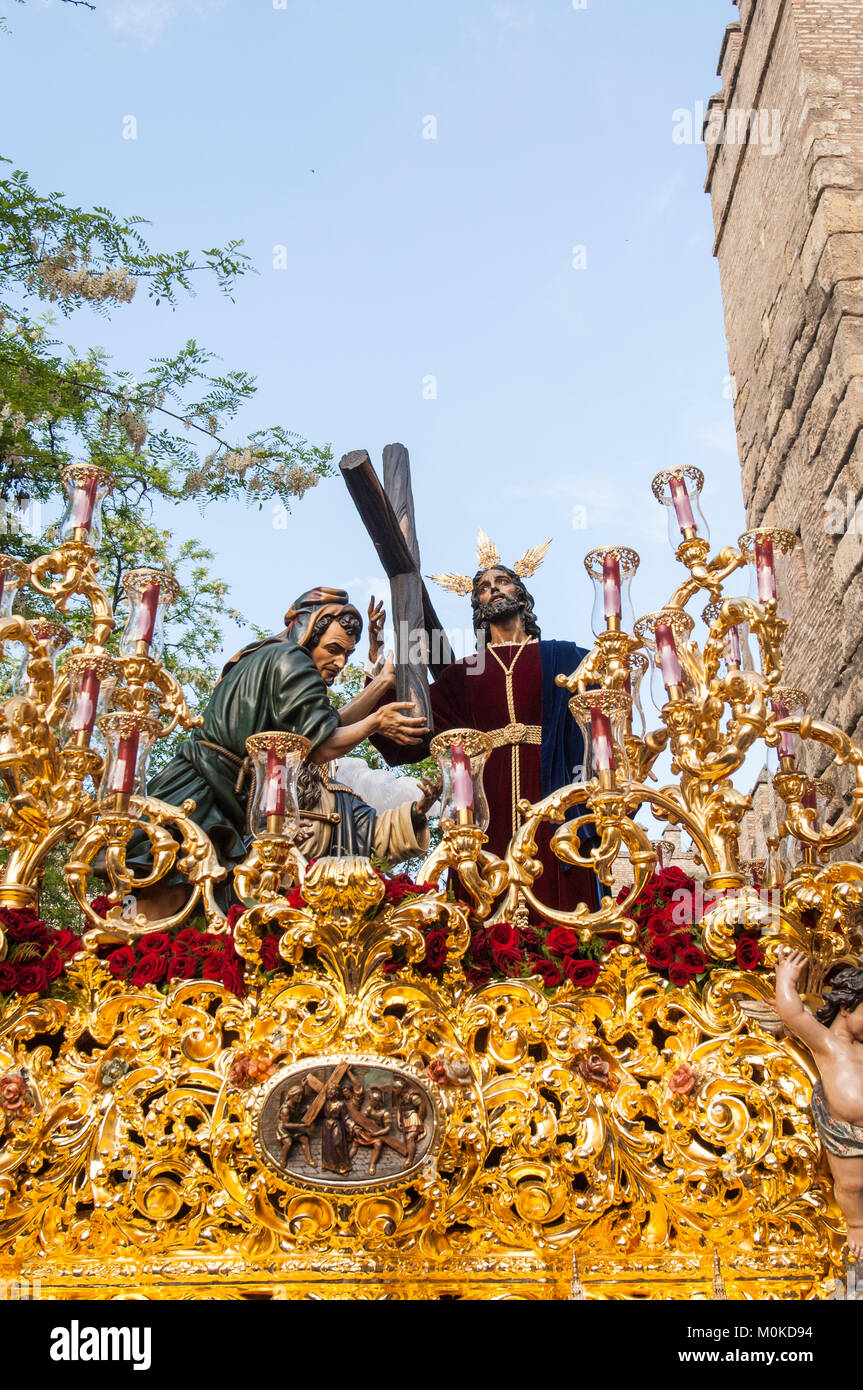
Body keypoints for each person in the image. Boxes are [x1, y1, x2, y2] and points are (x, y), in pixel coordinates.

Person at [127, 586, 428, 913]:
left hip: (205, 788)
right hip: (200, 800)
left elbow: (327, 723)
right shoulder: (293, 659)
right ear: (309, 630)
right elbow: (322, 744)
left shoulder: (265, 653)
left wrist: (382, 684)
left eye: (347, 654)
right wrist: (376, 723)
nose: (340, 662)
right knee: (162, 910)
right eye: (333, 649)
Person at [371, 544, 598, 915]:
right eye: (483, 587)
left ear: (521, 596)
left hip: (550, 786)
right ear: (478, 606)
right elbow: (414, 726)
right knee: (480, 887)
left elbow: (603, 696)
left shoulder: (562, 656)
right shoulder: (462, 674)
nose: (493, 588)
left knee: (557, 873)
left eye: (503, 581)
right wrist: (379, 671)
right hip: (480, 796)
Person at [774, 949, 863, 1260]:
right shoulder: (827, 1043)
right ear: (847, 1009)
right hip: (845, 1132)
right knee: (852, 1184)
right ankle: (857, 1224)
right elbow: (794, 1015)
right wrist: (786, 980)